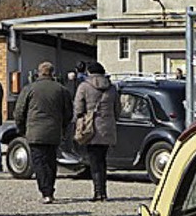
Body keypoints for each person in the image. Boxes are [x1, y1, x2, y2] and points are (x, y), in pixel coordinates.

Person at [14, 61, 73, 204]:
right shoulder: (61, 90)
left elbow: (19, 111)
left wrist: (22, 129)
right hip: (53, 131)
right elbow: (69, 113)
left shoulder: (30, 89)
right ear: (52, 73)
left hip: (35, 132)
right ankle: (50, 190)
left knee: (39, 162)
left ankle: (45, 191)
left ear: (38, 72)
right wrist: (62, 127)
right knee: (51, 161)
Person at [73, 60, 120, 202]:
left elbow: (78, 108)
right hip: (107, 127)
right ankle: (103, 192)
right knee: (102, 161)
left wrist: (79, 120)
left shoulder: (84, 86)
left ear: (89, 72)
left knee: (94, 161)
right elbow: (118, 109)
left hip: (91, 127)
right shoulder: (112, 88)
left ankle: (98, 192)